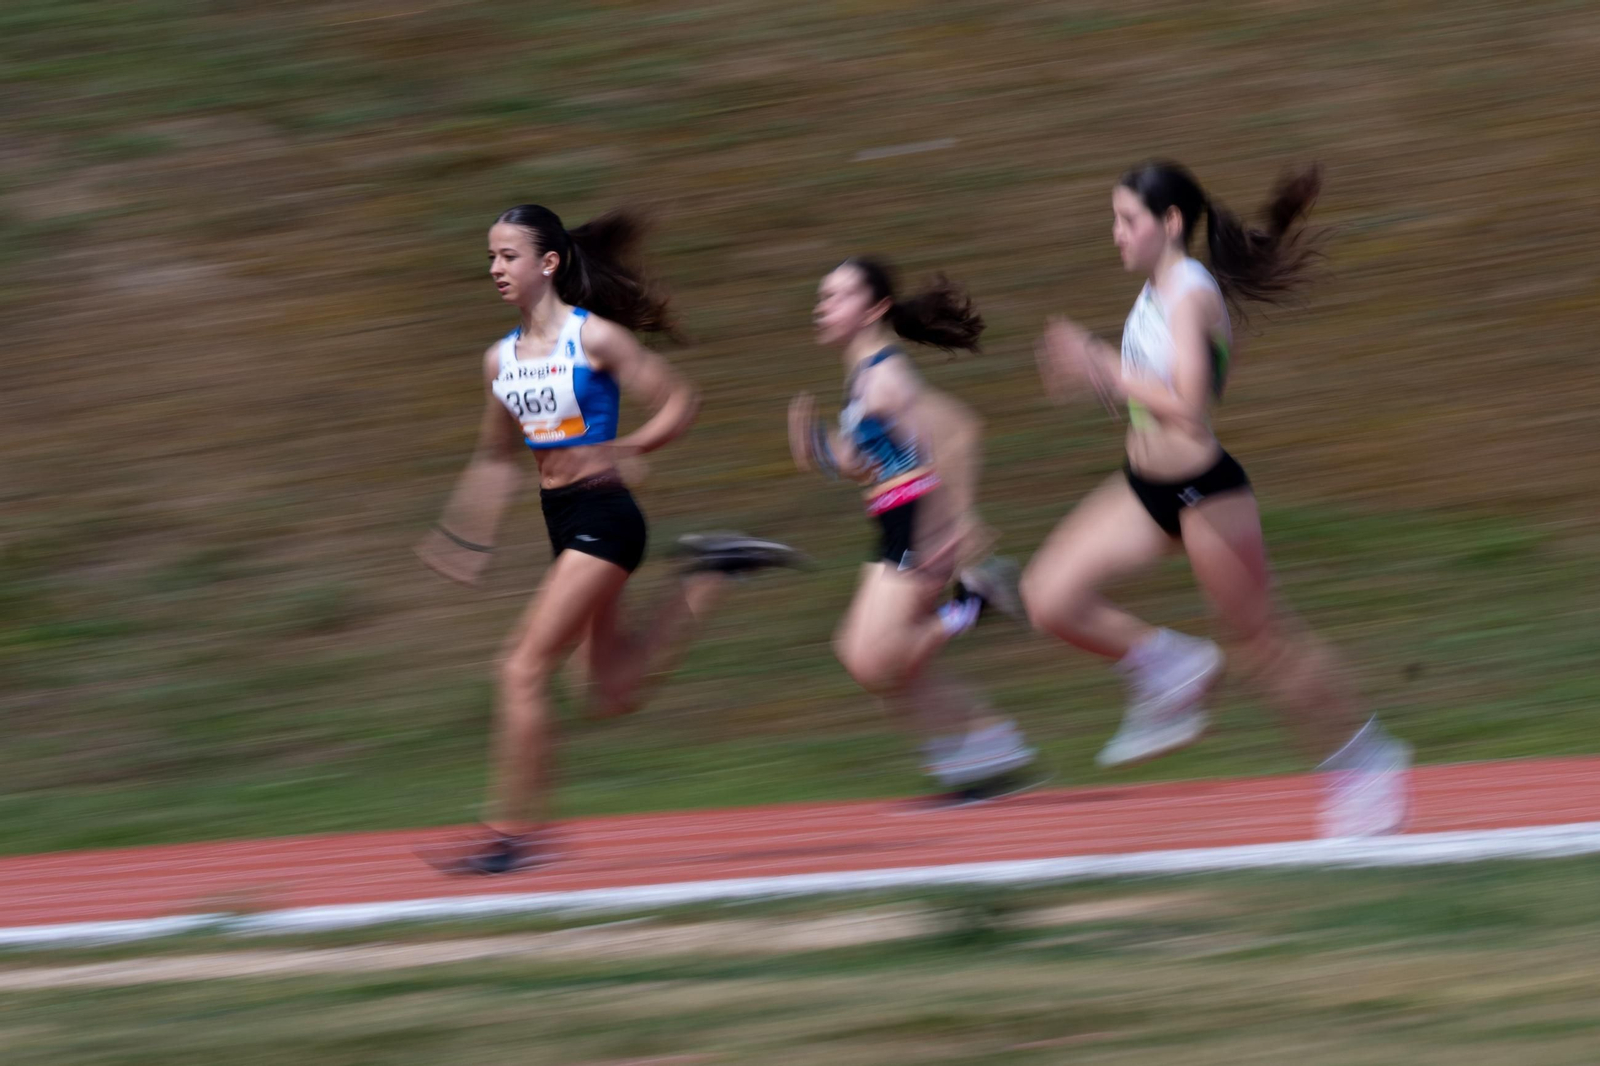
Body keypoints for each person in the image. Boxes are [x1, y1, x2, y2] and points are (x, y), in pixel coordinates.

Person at [1025, 162, 1408, 837]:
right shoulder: (1156, 291)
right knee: (1048, 596)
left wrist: (1104, 367)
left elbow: (1189, 407)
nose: (1115, 234)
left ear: (1169, 224)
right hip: (1148, 489)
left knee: (1262, 643)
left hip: (1205, 494)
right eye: (1112, 221)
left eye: (1127, 221)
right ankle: (1171, 662)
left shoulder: (1188, 293)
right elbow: (1148, 397)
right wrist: (1096, 380)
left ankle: (1366, 759)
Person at [417, 204, 803, 874]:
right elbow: (494, 459)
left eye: (508, 256)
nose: (496, 269)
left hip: (607, 519)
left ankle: (513, 834)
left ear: (549, 263)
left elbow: (680, 399)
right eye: (490, 257)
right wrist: (464, 535)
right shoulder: (499, 360)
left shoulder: (593, 339)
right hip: (561, 521)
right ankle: (710, 570)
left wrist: (627, 446)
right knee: (609, 692)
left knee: (520, 668)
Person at [790, 257, 1040, 809]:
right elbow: (867, 460)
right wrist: (822, 453)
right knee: (872, 659)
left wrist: (954, 527)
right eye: (822, 296)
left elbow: (958, 435)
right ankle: (986, 756)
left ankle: (972, 605)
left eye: (837, 296)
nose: (822, 306)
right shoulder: (863, 379)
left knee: (875, 659)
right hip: (892, 519)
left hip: (920, 521)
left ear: (875, 308)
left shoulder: (886, 379)